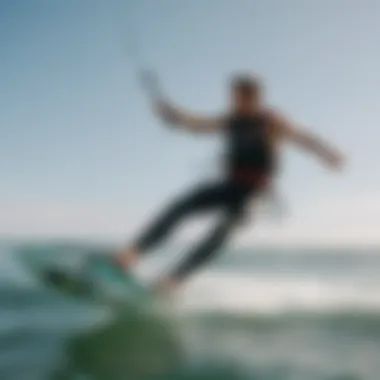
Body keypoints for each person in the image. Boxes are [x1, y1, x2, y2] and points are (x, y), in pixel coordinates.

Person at [116, 73, 345, 293]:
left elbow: (303, 138)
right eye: (233, 96)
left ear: (254, 98)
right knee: (180, 206)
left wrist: (327, 154)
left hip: (254, 194)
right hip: (229, 186)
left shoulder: (272, 122)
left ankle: (174, 281)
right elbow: (197, 125)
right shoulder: (233, 120)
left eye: (239, 97)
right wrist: (171, 115)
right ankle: (133, 254)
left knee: (221, 232)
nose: (234, 101)